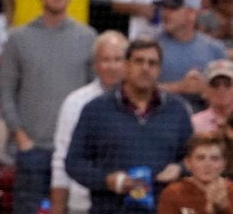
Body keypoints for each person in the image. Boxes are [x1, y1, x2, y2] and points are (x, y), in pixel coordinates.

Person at [0, 0, 98, 213]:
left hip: (74, 152)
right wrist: (22, 139)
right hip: (33, 150)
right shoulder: (18, 38)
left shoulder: (88, 38)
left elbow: (94, 93)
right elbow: (6, 92)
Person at [66, 39, 194, 214]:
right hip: (109, 209)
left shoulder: (177, 111)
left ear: (160, 69)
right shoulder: (96, 109)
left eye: (152, 63)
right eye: (139, 61)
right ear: (126, 66)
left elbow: (193, 159)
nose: (145, 68)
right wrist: (107, 180)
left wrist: (180, 169)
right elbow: (74, 163)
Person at [51, 30, 129, 214]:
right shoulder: (75, 102)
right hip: (82, 204)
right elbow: (61, 159)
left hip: (132, 203)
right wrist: (58, 208)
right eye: (105, 60)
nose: (112, 66)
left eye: (118, 59)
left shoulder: (142, 104)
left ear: (128, 63)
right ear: (95, 64)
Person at [155, 0, 227, 109]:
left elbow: (229, 96)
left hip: (207, 125)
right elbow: (135, 91)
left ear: (191, 13)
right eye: (164, 7)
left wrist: (206, 90)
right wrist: (179, 87)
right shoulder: (151, 47)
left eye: (173, 8)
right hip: (162, 123)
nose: (165, 13)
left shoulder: (215, 49)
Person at [157, 133, 233, 214]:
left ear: (224, 163)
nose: (207, 164)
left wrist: (222, 209)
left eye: (214, 159)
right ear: (188, 163)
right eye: (200, 158)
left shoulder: (231, 191)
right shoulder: (172, 193)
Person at [192, 59, 233, 134]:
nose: (221, 89)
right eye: (215, 84)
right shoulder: (194, 124)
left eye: (227, 83)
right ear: (206, 89)